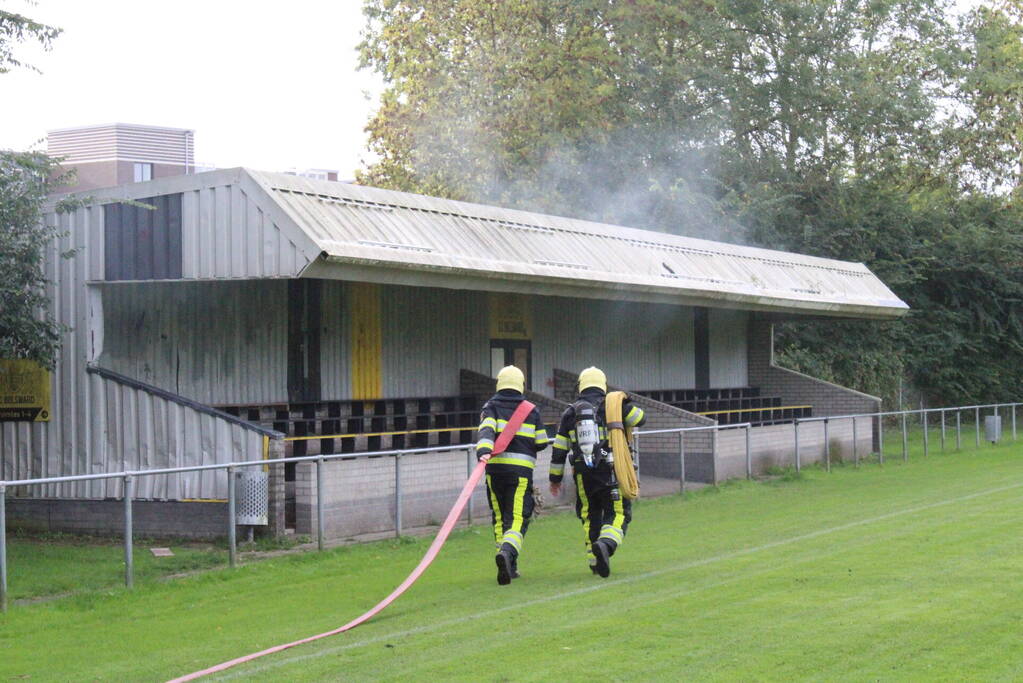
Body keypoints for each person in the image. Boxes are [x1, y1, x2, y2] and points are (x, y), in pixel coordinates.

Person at [549, 367, 645, 578]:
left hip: (583, 474)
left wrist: (555, 479)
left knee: (589, 516)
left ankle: (594, 561)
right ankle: (606, 544)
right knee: (618, 513)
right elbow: (640, 419)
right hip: (613, 470)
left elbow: (559, 449)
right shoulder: (614, 405)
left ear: (581, 386)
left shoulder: (570, 412)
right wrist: (625, 399)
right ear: (603, 385)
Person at [475, 365, 550, 585]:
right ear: (521, 384)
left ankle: (509, 565)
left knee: (499, 518)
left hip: (494, 470)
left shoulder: (490, 407)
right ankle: (507, 554)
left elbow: (486, 431)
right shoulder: (531, 410)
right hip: (520, 473)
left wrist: (483, 451)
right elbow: (542, 442)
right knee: (517, 517)